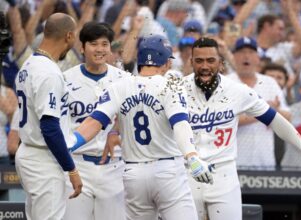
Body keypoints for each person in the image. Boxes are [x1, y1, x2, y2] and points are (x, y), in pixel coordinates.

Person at [70, 35, 213, 220]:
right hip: (167, 170)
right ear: (165, 61)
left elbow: (93, 122)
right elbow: (180, 123)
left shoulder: (119, 86)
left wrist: (68, 144)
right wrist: (192, 156)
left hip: (133, 174)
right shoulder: (171, 85)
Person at [183, 37, 301, 220]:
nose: (205, 66)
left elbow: (274, 119)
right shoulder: (178, 89)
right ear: (191, 62)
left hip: (223, 173)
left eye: (211, 60)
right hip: (187, 171)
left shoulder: (237, 90)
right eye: (199, 60)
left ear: (221, 63)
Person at [14, 13, 82, 220]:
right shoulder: (48, 72)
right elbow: (50, 128)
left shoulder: (28, 65)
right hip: (42, 158)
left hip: (29, 152)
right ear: (69, 36)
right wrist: (71, 169)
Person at [63, 21, 128, 220]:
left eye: (104, 44)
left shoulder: (124, 79)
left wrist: (116, 130)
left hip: (114, 167)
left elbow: (128, 119)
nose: (99, 49)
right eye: (93, 44)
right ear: (82, 48)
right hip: (77, 164)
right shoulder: (65, 80)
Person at [228, 37, 291, 170]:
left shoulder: (269, 83)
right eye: (241, 52)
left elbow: (288, 117)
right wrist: (265, 111)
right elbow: (224, 119)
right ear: (233, 56)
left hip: (265, 161)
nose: (246, 56)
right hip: (233, 163)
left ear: (258, 57)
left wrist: (274, 111)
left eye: (251, 52)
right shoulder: (225, 83)